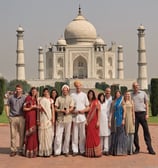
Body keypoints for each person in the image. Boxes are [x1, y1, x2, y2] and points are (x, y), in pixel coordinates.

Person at [131, 82, 156, 155]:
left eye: (137, 86)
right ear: (133, 87)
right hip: (135, 114)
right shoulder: (131, 95)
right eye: (134, 86)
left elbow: (147, 104)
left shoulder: (143, 93)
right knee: (135, 132)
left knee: (146, 131)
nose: (136, 87)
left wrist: (147, 113)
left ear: (138, 86)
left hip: (142, 113)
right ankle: (137, 148)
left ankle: (150, 147)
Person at [54, 84, 74, 157]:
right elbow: (55, 108)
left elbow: (72, 107)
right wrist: (60, 110)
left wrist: (69, 110)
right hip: (60, 118)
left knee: (67, 135)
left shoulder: (70, 98)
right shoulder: (58, 98)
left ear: (68, 91)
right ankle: (57, 151)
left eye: (66, 90)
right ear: (62, 91)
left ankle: (65, 151)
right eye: (64, 90)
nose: (65, 91)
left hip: (68, 118)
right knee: (58, 135)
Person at [6, 84, 26, 157]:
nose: (18, 90)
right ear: (15, 90)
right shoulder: (11, 97)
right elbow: (7, 105)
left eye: (19, 89)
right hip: (13, 117)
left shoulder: (24, 98)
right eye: (17, 89)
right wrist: (8, 115)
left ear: (22, 90)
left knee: (21, 135)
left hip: (21, 117)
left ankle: (20, 149)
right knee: (13, 135)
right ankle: (13, 150)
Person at [71, 80, 90, 156]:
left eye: (79, 85)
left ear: (81, 86)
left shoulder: (84, 95)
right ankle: (75, 150)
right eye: (77, 85)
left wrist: (84, 110)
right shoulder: (72, 95)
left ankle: (82, 150)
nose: (78, 87)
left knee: (82, 135)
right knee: (75, 135)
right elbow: (70, 106)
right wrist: (73, 111)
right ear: (75, 86)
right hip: (75, 117)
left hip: (82, 117)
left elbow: (88, 106)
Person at [109, 90, 127, 156]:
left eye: (119, 94)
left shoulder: (122, 102)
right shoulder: (113, 102)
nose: (117, 95)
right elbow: (111, 112)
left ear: (120, 94)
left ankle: (121, 151)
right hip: (114, 120)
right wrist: (109, 121)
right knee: (114, 135)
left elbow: (124, 111)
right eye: (116, 93)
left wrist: (123, 119)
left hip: (120, 119)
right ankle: (114, 151)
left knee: (120, 135)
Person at [38, 88, 54, 157]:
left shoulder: (51, 100)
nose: (46, 93)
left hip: (48, 118)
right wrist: (38, 120)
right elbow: (38, 111)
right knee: (41, 135)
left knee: (48, 135)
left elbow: (52, 109)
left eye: (47, 91)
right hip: (42, 118)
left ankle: (48, 151)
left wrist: (52, 118)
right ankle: (42, 151)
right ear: (43, 92)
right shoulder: (40, 100)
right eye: (45, 92)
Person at [23, 87, 39, 158]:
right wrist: (31, 108)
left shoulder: (36, 99)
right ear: (31, 91)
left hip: (34, 118)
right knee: (29, 134)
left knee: (34, 135)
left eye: (35, 91)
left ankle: (33, 151)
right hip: (29, 118)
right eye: (33, 91)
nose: (34, 92)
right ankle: (28, 151)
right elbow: (24, 108)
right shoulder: (28, 98)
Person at [85, 90, 102, 157]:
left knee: (95, 136)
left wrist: (98, 121)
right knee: (89, 136)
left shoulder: (96, 102)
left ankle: (96, 153)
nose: (90, 95)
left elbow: (99, 111)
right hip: (88, 121)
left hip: (95, 120)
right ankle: (90, 153)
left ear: (94, 95)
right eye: (89, 94)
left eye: (92, 94)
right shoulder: (87, 102)